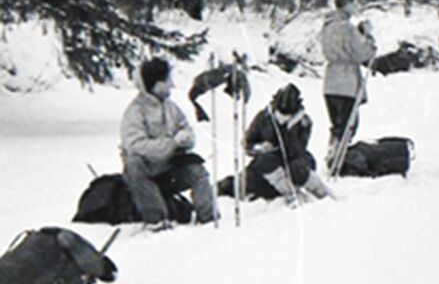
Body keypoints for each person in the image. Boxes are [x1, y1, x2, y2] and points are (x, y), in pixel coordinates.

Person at [120, 58, 218, 227]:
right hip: (146, 175)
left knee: (196, 169)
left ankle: (208, 218)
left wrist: (186, 140)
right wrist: (172, 143)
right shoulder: (135, 112)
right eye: (168, 80)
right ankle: (157, 221)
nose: (171, 85)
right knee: (133, 163)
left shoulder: (172, 107)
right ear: (157, 84)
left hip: (170, 170)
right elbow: (135, 146)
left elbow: (188, 131)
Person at [242, 84, 333, 204]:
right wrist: (260, 147)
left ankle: (324, 194)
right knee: (258, 169)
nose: (283, 117)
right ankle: (291, 194)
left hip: (295, 162)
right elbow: (247, 144)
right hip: (266, 166)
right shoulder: (263, 117)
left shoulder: (304, 122)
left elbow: (296, 150)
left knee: (297, 169)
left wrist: (290, 129)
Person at [321, 0, 377, 162]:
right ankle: (339, 159)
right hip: (347, 83)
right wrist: (368, 36)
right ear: (346, 4)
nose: (356, 6)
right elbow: (362, 54)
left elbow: (342, 47)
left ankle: (333, 153)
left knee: (336, 125)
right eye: (353, 2)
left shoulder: (328, 25)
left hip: (330, 81)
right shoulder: (347, 28)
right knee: (348, 125)